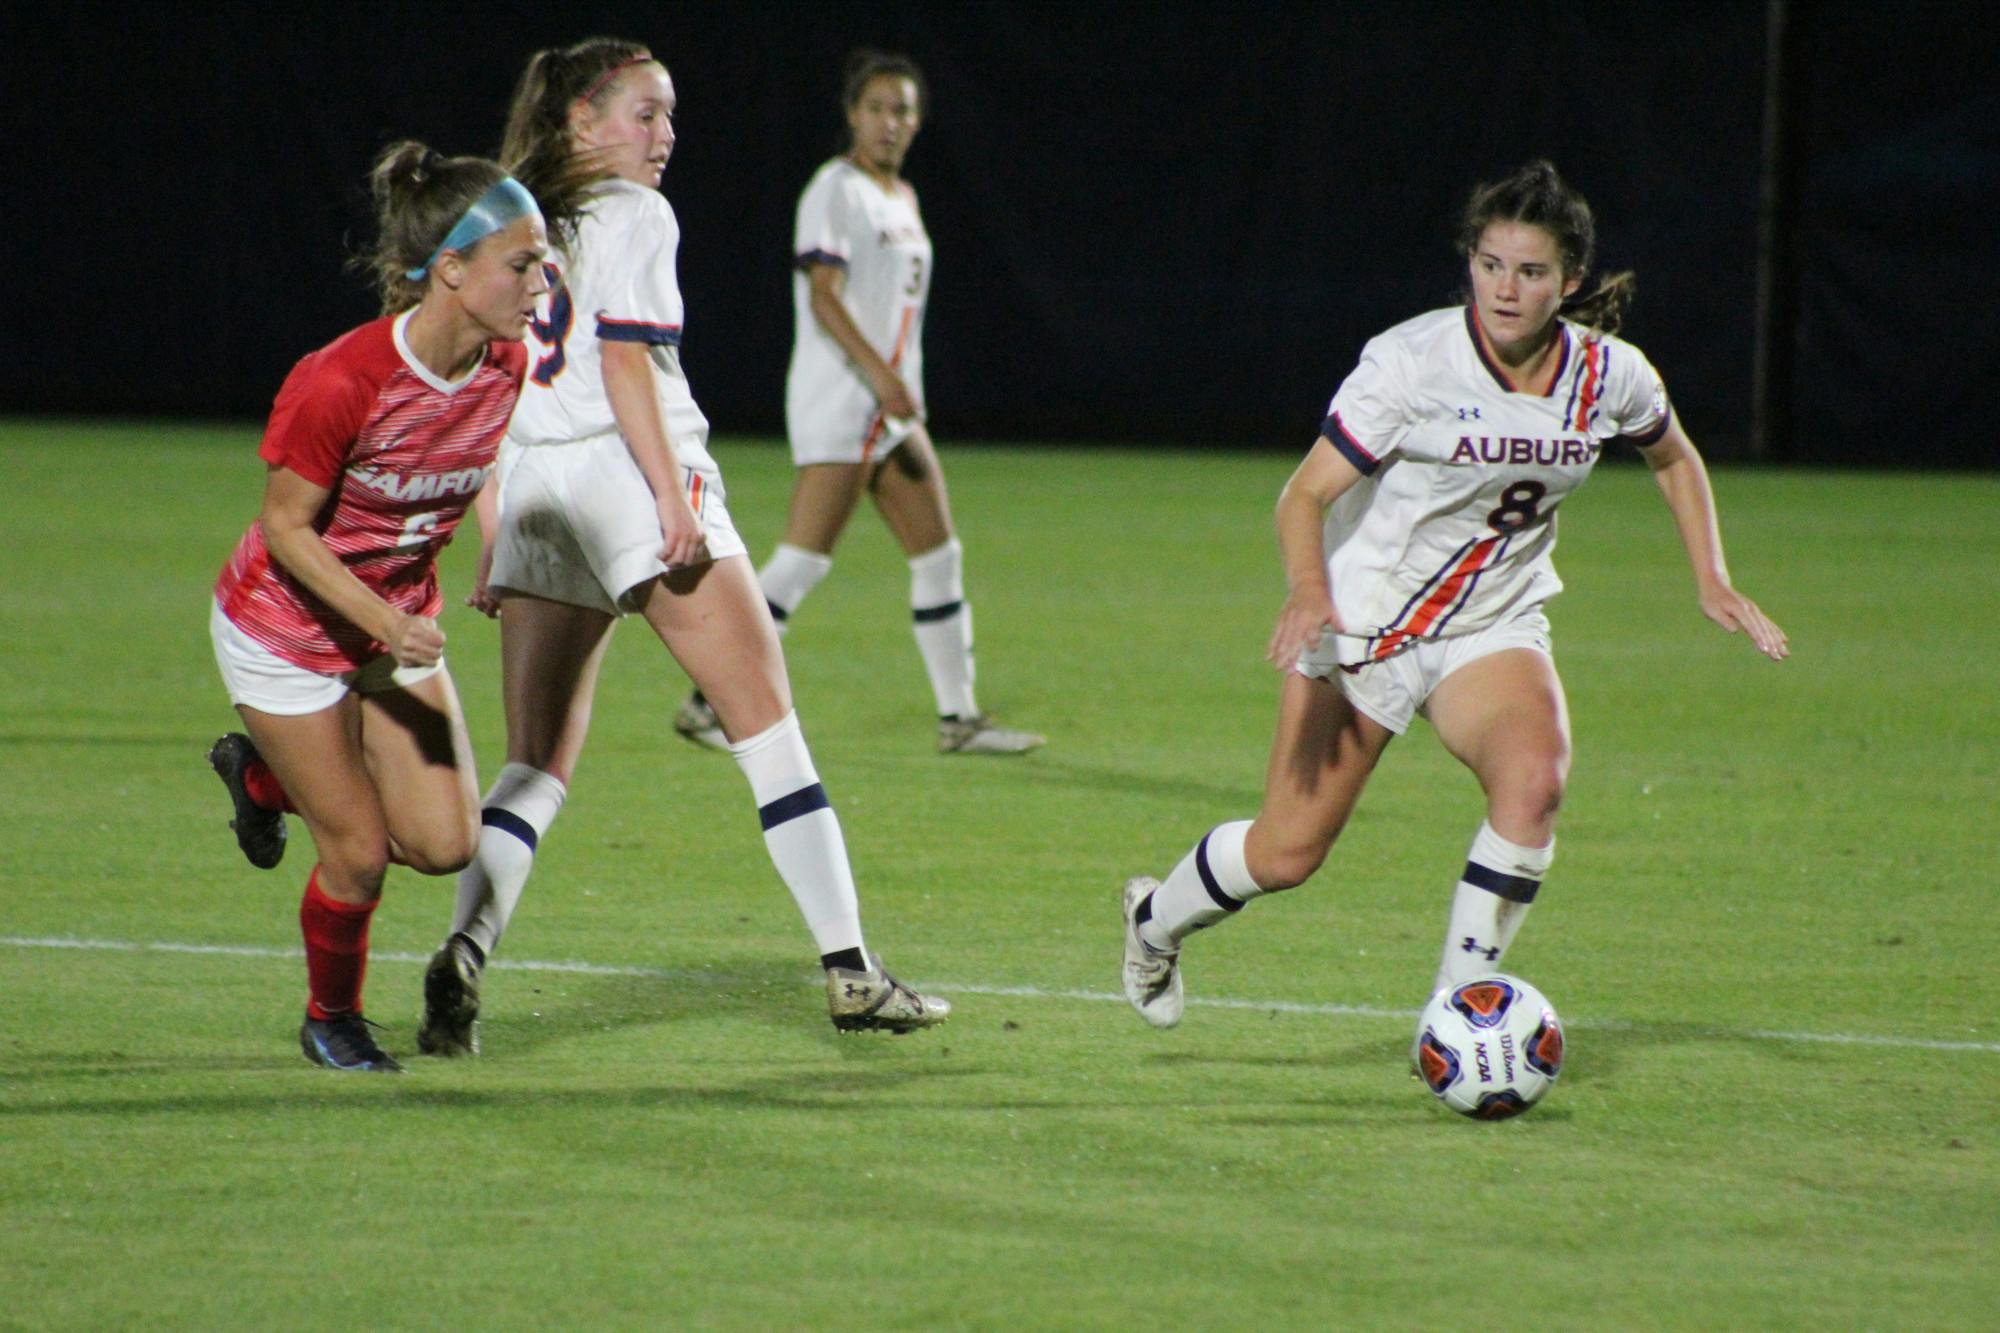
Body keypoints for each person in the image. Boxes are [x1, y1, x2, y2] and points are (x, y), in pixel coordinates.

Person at [1119, 160, 1789, 1031]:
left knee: (1534, 783)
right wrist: (1309, 592)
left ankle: (1456, 1012)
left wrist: (1712, 576)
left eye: (1532, 270)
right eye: (1491, 264)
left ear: (1571, 280)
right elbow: (1305, 494)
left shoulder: (1607, 375)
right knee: (1286, 853)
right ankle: (1153, 919)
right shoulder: (1409, 363)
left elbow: (1673, 454)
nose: (1507, 289)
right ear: (1469, 261)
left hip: (1491, 622)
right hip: (1367, 621)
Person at [418, 38, 950, 1056]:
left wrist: (492, 529)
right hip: (627, 474)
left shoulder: (504, 218)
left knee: (535, 763)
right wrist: (670, 500)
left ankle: (465, 952)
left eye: (668, 116)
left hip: (532, 484)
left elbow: (480, 380)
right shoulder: (638, 213)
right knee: (766, 729)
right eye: (644, 114)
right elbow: (624, 364)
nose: (666, 137)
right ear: (580, 117)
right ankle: (850, 972)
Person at [205, 142, 549, 1072]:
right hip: (287, 632)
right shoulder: (341, 379)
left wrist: (494, 536)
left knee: (445, 842)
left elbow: (471, 455)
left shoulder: (505, 364)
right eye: (522, 263)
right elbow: (286, 529)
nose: (540, 281)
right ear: (450, 270)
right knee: (356, 853)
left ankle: (265, 779)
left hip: (393, 626)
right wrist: (388, 622)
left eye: (544, 261)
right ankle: (333, 1018)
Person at [673, 50, 1043, 757]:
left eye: (902, 109)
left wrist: (896, 383)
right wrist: (880, 376)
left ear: (918, 120)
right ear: (851, 115)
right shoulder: (833, 190)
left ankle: (958, 718)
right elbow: (823, 296)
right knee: (803, 560)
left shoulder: (900, 197)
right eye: (875, 108)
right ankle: (705, 700)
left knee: (939, 555)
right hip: (845, 398)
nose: (889, 122)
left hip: (888, 404)